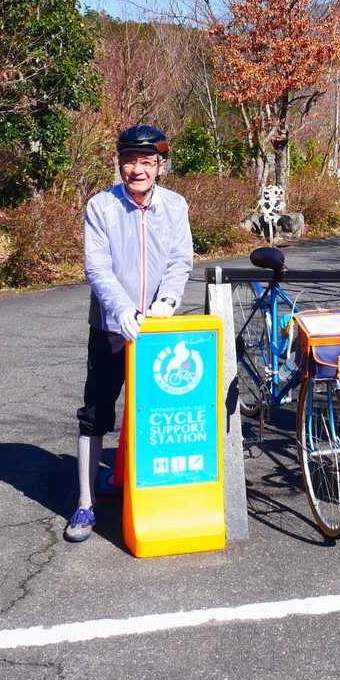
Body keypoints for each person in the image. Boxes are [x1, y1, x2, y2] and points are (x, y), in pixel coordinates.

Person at [65, 124, 193, 542]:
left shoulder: (175, 205)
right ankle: (85, 504)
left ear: (160, 166)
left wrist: (168, 300)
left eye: (146, 161)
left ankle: (142, 490)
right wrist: (121, 310)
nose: (136, 169)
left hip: (158, 328)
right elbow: (97, 267)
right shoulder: (101, 205)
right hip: (110, 328)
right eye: (129, 161)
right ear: (120, 164)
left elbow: (180, 260)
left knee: (157, 414)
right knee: (96, 413)